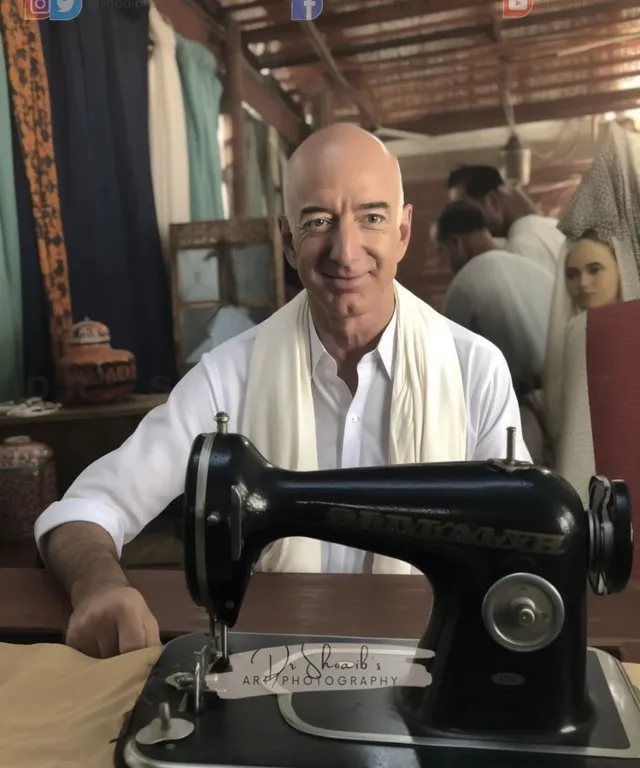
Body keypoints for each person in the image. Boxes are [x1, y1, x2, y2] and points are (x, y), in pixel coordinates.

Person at [34, 123, 530, 659]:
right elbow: (87, 509)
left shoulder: (474, 371)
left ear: (403, 232)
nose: (345, 250)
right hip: (272, 671)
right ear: (288, 241)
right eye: (319, 221)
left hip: (430, 672)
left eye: (372, 218)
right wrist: (101, 587)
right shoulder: (230, 377)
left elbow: (518, 542)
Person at [435, 200, 553, 397]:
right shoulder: (533, 268)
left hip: (523, 410)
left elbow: (450, 367)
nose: (446, 264)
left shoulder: (466, 283)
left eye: (443, 252)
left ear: (455, 243)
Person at [447, 165, 565, 275]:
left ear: (492, 202)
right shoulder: (556, 228)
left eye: (465, 213)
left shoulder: (518, 250)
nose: (463, 224)